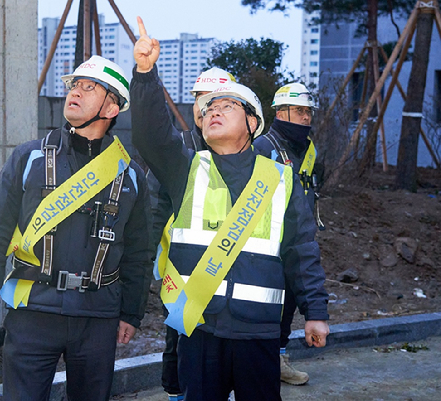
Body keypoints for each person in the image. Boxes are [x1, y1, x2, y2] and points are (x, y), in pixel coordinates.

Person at [131, 17, 329, 401]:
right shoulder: (186, 168)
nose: (212, 112)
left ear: (253, 123)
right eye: (207, 110)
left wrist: (315, 311)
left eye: (226, 106)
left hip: (259, 333)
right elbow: (151, 134)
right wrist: (145, 73)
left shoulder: (280, 179)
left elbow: (302, 251)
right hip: (199, 328)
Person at [0, 55, 153, 401]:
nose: (75, 93)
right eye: (74, 85)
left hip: (98, 316)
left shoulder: (129, 175)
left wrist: (131, 312)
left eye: (89, 87)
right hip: (34, 310)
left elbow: (139, 252)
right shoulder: (29, 158)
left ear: (112, 108)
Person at [147, 67, 236, 401]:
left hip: (228, 264)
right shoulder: (177, 150)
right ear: (192, 106)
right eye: (201, 98)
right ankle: (176, 395)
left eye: (219, 100)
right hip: (181, 269)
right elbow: (154, 209)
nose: (208, 105)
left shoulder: (242, 153)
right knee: (178, 338)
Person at [253, 82, 322, 386]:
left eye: (308, 111)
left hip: (297, 240)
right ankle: (261, 363)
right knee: (269, 304)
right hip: (269, 243)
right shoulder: (263, 147)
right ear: (281, 112)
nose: (306, 117)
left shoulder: (308, 149)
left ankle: (278, 358)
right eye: (300, 111)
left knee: (290, 301)